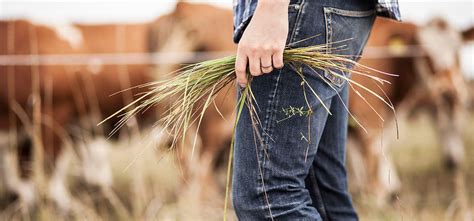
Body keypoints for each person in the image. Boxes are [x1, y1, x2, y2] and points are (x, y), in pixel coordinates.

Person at [231, 0, 400, 220]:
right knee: (324, 195)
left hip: (303, 12)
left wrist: (271, 8)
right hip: (332, 14)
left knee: (267, 198)